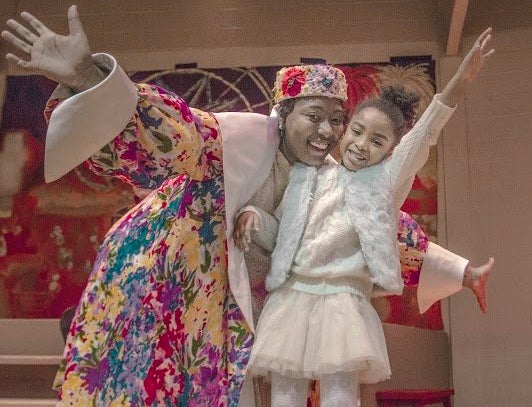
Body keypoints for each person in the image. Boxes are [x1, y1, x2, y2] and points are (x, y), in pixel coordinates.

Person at [1, 5, 491, 406]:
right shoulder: (234, 140)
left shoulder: (328, 177)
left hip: (230, 311)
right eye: (314, 116)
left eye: (337, 120)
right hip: (169, 280)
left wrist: (463, 272)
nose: (326, 131)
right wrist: (89, 73)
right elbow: (172, 130)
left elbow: (381, 224)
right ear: (283, 113)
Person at [233, 31, 494, 405]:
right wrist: (252, 215)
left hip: (343, 298)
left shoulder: (383, 184)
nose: (360, 144)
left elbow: (422, 138)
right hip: (293, 298)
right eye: (356, 131)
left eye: (377, 141)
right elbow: (284, 234)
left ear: (389, 151)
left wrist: (455, 87)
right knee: (285, 392)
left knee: (341, 392)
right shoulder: (312, 174)